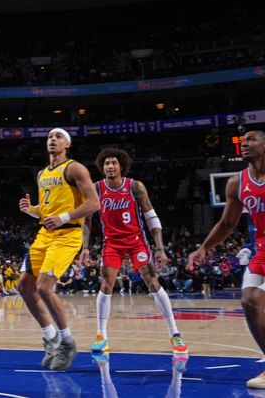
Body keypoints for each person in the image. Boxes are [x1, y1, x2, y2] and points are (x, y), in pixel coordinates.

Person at [85, 148, 188, 356]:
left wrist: (159, 248)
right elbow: (86, 220)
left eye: (114, 162)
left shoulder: (135, 186)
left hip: (136, 241)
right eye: (106, 163)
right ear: (102, 167)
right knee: (106, 284)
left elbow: (151, 216)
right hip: (111, 243)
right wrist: (85, 248)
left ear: (121, 165)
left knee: (152, 281)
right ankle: (101, 336)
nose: (110, 166)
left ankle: (175, 334)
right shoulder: (96, 188)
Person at [187, 130, 265, 388]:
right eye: (243, 142)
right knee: (248, 302)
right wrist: (203, 248)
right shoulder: (236, 182)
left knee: (255, 298)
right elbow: (228, 222)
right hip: (262, 250)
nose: (245, 144)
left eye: (251, 140)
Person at [18, 128, 99, 371]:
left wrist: (63, 217)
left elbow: (93, 203)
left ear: (67, 144)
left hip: (67, 235)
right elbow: (46, 210)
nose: (53, 139)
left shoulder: (75, 168)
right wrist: (31, 209)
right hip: (44, 235)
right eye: (50, 137)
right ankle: (51, 337)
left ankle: (67, 342)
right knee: (23, 286)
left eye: (58, 137)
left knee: (44, 287)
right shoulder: (42, 173)